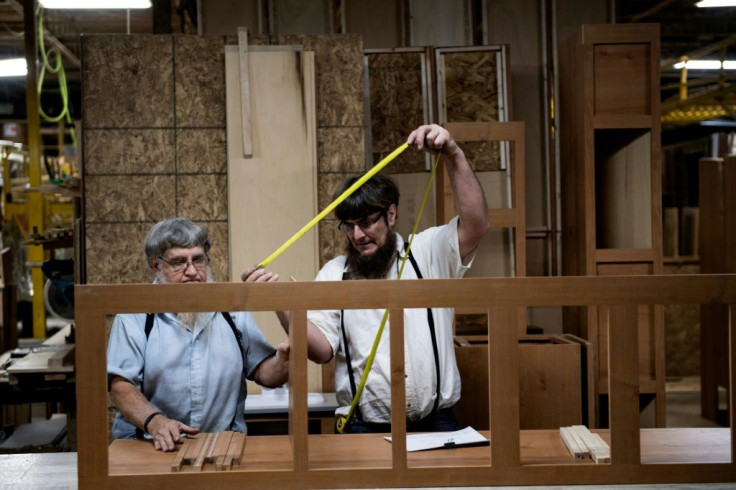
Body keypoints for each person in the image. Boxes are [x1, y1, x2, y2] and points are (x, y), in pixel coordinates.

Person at [243, 124, 489, 433]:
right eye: (348, 225)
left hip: (437, 422)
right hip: (365, 426)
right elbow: (319, 351)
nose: (358, 235)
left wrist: (453, 153)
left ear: (391, 214)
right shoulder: (334, 274)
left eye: (367, 222)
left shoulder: (427, 252)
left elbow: (476, 225)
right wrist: (280, 302)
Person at [107, 218, 289, 451]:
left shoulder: (232, 313)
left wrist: (283, 361)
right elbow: (121, 385)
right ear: (156, 266)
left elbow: (265, 373)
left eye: (198, 260)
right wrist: (155, 422)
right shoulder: (135, 318)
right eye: (179, 262)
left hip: (221, 448)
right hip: (151, 447)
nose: (192, 271)